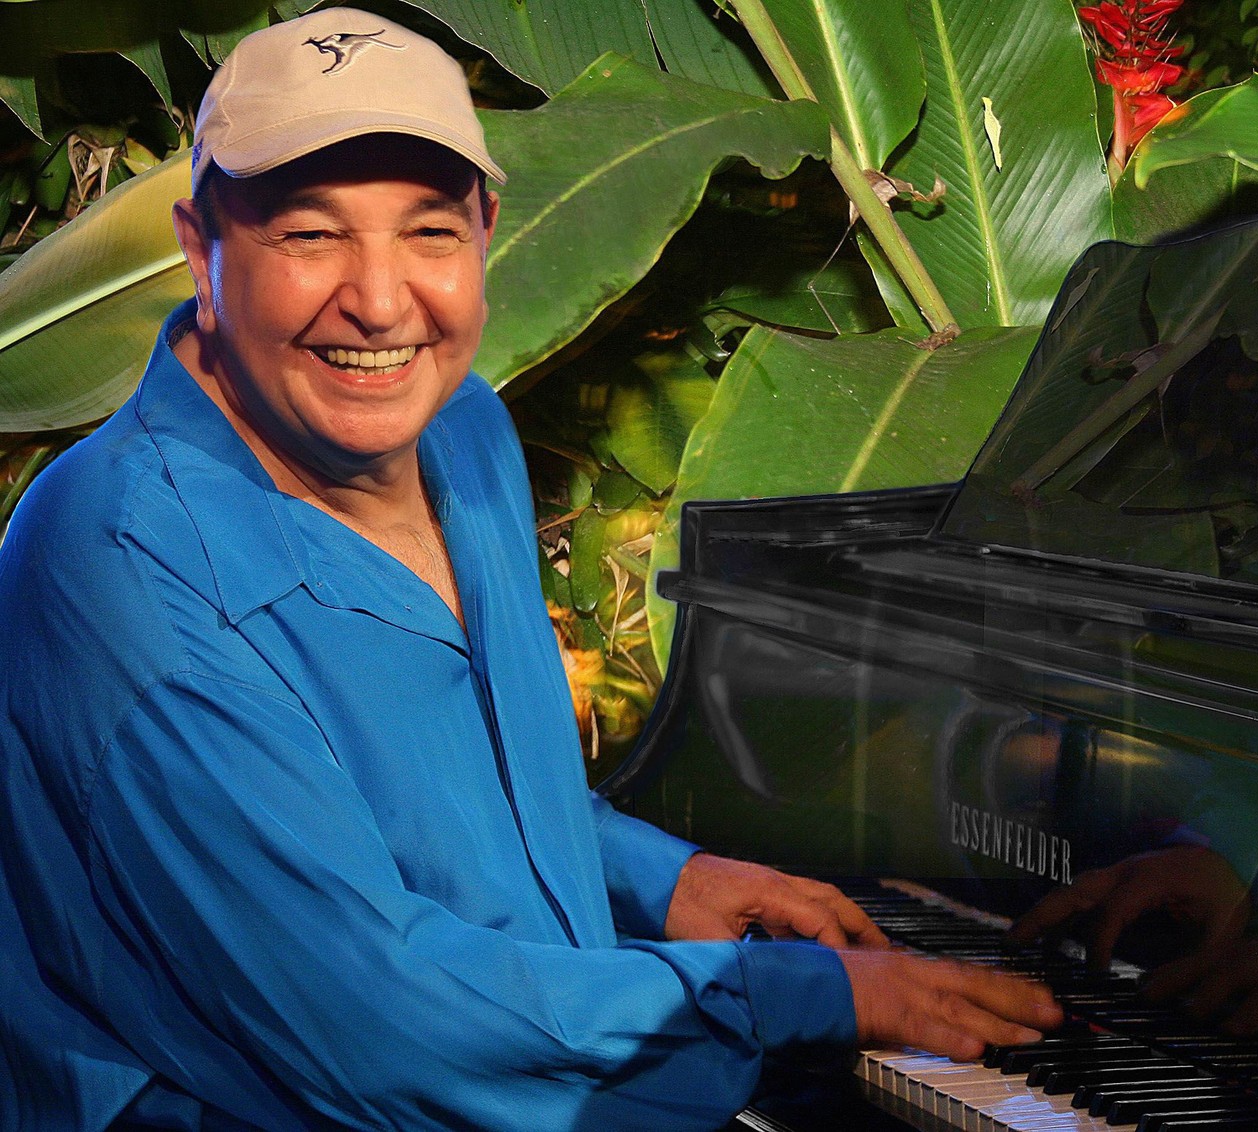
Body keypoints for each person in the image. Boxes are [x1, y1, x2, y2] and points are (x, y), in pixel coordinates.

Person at [0, 9, 1060, 1130]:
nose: (378, 297)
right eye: (310, 234)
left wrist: (663, 877)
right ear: (201, 248)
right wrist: (794, 993)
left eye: (429, 233)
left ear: (487, 231)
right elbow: (371, 1023)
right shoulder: (124, 566)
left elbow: (425, 804)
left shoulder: (460, 428)